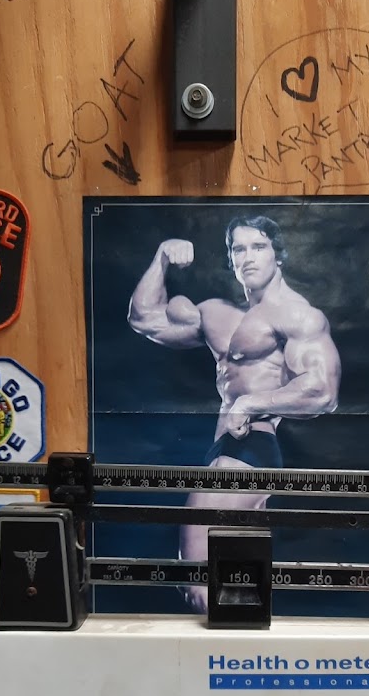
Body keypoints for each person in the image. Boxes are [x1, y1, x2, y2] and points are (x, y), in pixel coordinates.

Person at [128, 214, 341, 613]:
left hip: (253, 448)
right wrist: (161, 259)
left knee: (196, 579)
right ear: (230, 258)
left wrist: (249, 404)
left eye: (258, 246)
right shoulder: (217, 313)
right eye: (238, 249)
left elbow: (322, 392)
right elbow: (145, 319)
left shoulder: (297, 315)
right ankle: (236, 648)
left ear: (278, 254)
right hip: (223, 447)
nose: (248, 257)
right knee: (232, 585)